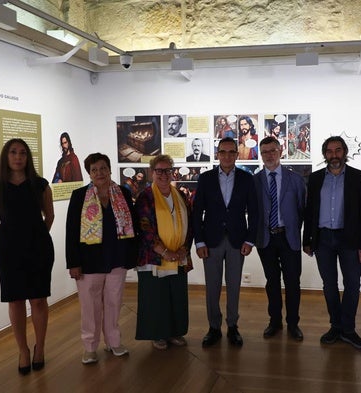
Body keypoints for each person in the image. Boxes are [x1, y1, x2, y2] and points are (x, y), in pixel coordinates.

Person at [0, 138, 54, 375]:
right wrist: (5, 241)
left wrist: (37, 239)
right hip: (8, 252)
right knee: (15, 300)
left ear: (28, 157)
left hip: (38, 249)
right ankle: (23, 350)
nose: (18, 157)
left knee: (38, 299)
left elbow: (49, 217)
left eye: (23, 153)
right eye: (13, 152)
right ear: (6, 156)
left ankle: (40, 347)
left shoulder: (41, 184)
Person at [66, 153, 138, 364]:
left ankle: (114, 342)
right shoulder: (80, 196)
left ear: (109, 169)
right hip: (89, 262)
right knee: (90, 306)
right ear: (89, 173)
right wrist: (73, 263)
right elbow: (71, 230)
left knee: (114, 302)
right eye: (94, 169)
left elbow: (132, 225)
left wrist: (132, 256)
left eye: (103, 168)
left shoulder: (123, 193)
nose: (99, 173)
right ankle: (89, 347)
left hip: (117, 258)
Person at [303, 136, 361, 350]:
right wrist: (307, 240)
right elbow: (309, 211)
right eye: (330, 151)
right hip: (323, 239)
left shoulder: (358, 177)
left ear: (344, 152)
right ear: (325, 154)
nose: (334, 155)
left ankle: (349, 330)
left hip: (349, 239)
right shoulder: (315, 179)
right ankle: (335, 326)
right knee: (329, 285)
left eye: (338, 150)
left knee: (353, 284)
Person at [193, 137, 259, 347]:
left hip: (237, 241)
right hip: (211, 241)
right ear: (217, 154)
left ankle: (232, 326)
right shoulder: (205, 178)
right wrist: (199, 242)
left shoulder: (247, 179)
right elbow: (197, 213)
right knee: (212, 287)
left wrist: (250, 239)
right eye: (223, 152)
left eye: (232, 152)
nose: (227, 156)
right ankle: (213, 327)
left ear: (237, 155)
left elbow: (255, 213)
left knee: (234, 286)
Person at [134, 155, 194, 350]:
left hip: (179, 256)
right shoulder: (146, 196)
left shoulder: (180, 195)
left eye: (167, 170)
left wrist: (184, 247)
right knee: (156, 298)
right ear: (152, 173)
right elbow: (144, 227)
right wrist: (165, 252)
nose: (164, 174)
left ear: (172, 172)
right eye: (159, 171)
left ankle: (175, 332)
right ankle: (158, 334)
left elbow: (190, 224)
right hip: (155, 258)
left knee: (176, 296)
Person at [254, 137, 306, 341]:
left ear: (281, 151)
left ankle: (293, 323)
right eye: (265, 151)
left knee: (293, 282)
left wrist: (297, 230)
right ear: (260, 154)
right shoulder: (255, 181)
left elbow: (302, 209)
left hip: (289, 237)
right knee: (272, 282)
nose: (269, 155)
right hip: (266, 239)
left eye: (273, 150)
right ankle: (274, 322)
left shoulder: (295, 179)